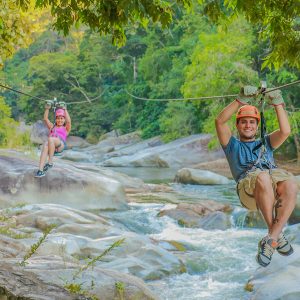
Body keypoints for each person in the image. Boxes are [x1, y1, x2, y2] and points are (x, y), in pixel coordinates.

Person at [215, 86, 298, 267]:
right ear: (237, 125)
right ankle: (274, 234)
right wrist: (240, 99)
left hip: (271, 189)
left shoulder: (266, 143)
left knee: (291, 184)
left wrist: (277, 103)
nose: (248, 125)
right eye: (243, 122)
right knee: (262, 177)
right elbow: (220, 122)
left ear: (257, 126)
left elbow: (285, 131)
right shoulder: (232, 145)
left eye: (252, 122)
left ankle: (272, 238)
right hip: (249, 192)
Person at [35, 103, 71, 178]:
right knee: (45, 145)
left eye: (62, 118)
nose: (60, 120)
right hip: (51, 146)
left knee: (50, 139)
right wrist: (47, 109)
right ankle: (40, 170)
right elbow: (45, 119)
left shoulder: (66, 128)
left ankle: (50, 162)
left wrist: (65, 109)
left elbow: (69, 122)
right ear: (56, 119)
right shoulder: (52, 126)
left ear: (64, 119)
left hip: (60, 144)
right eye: (58, 118)